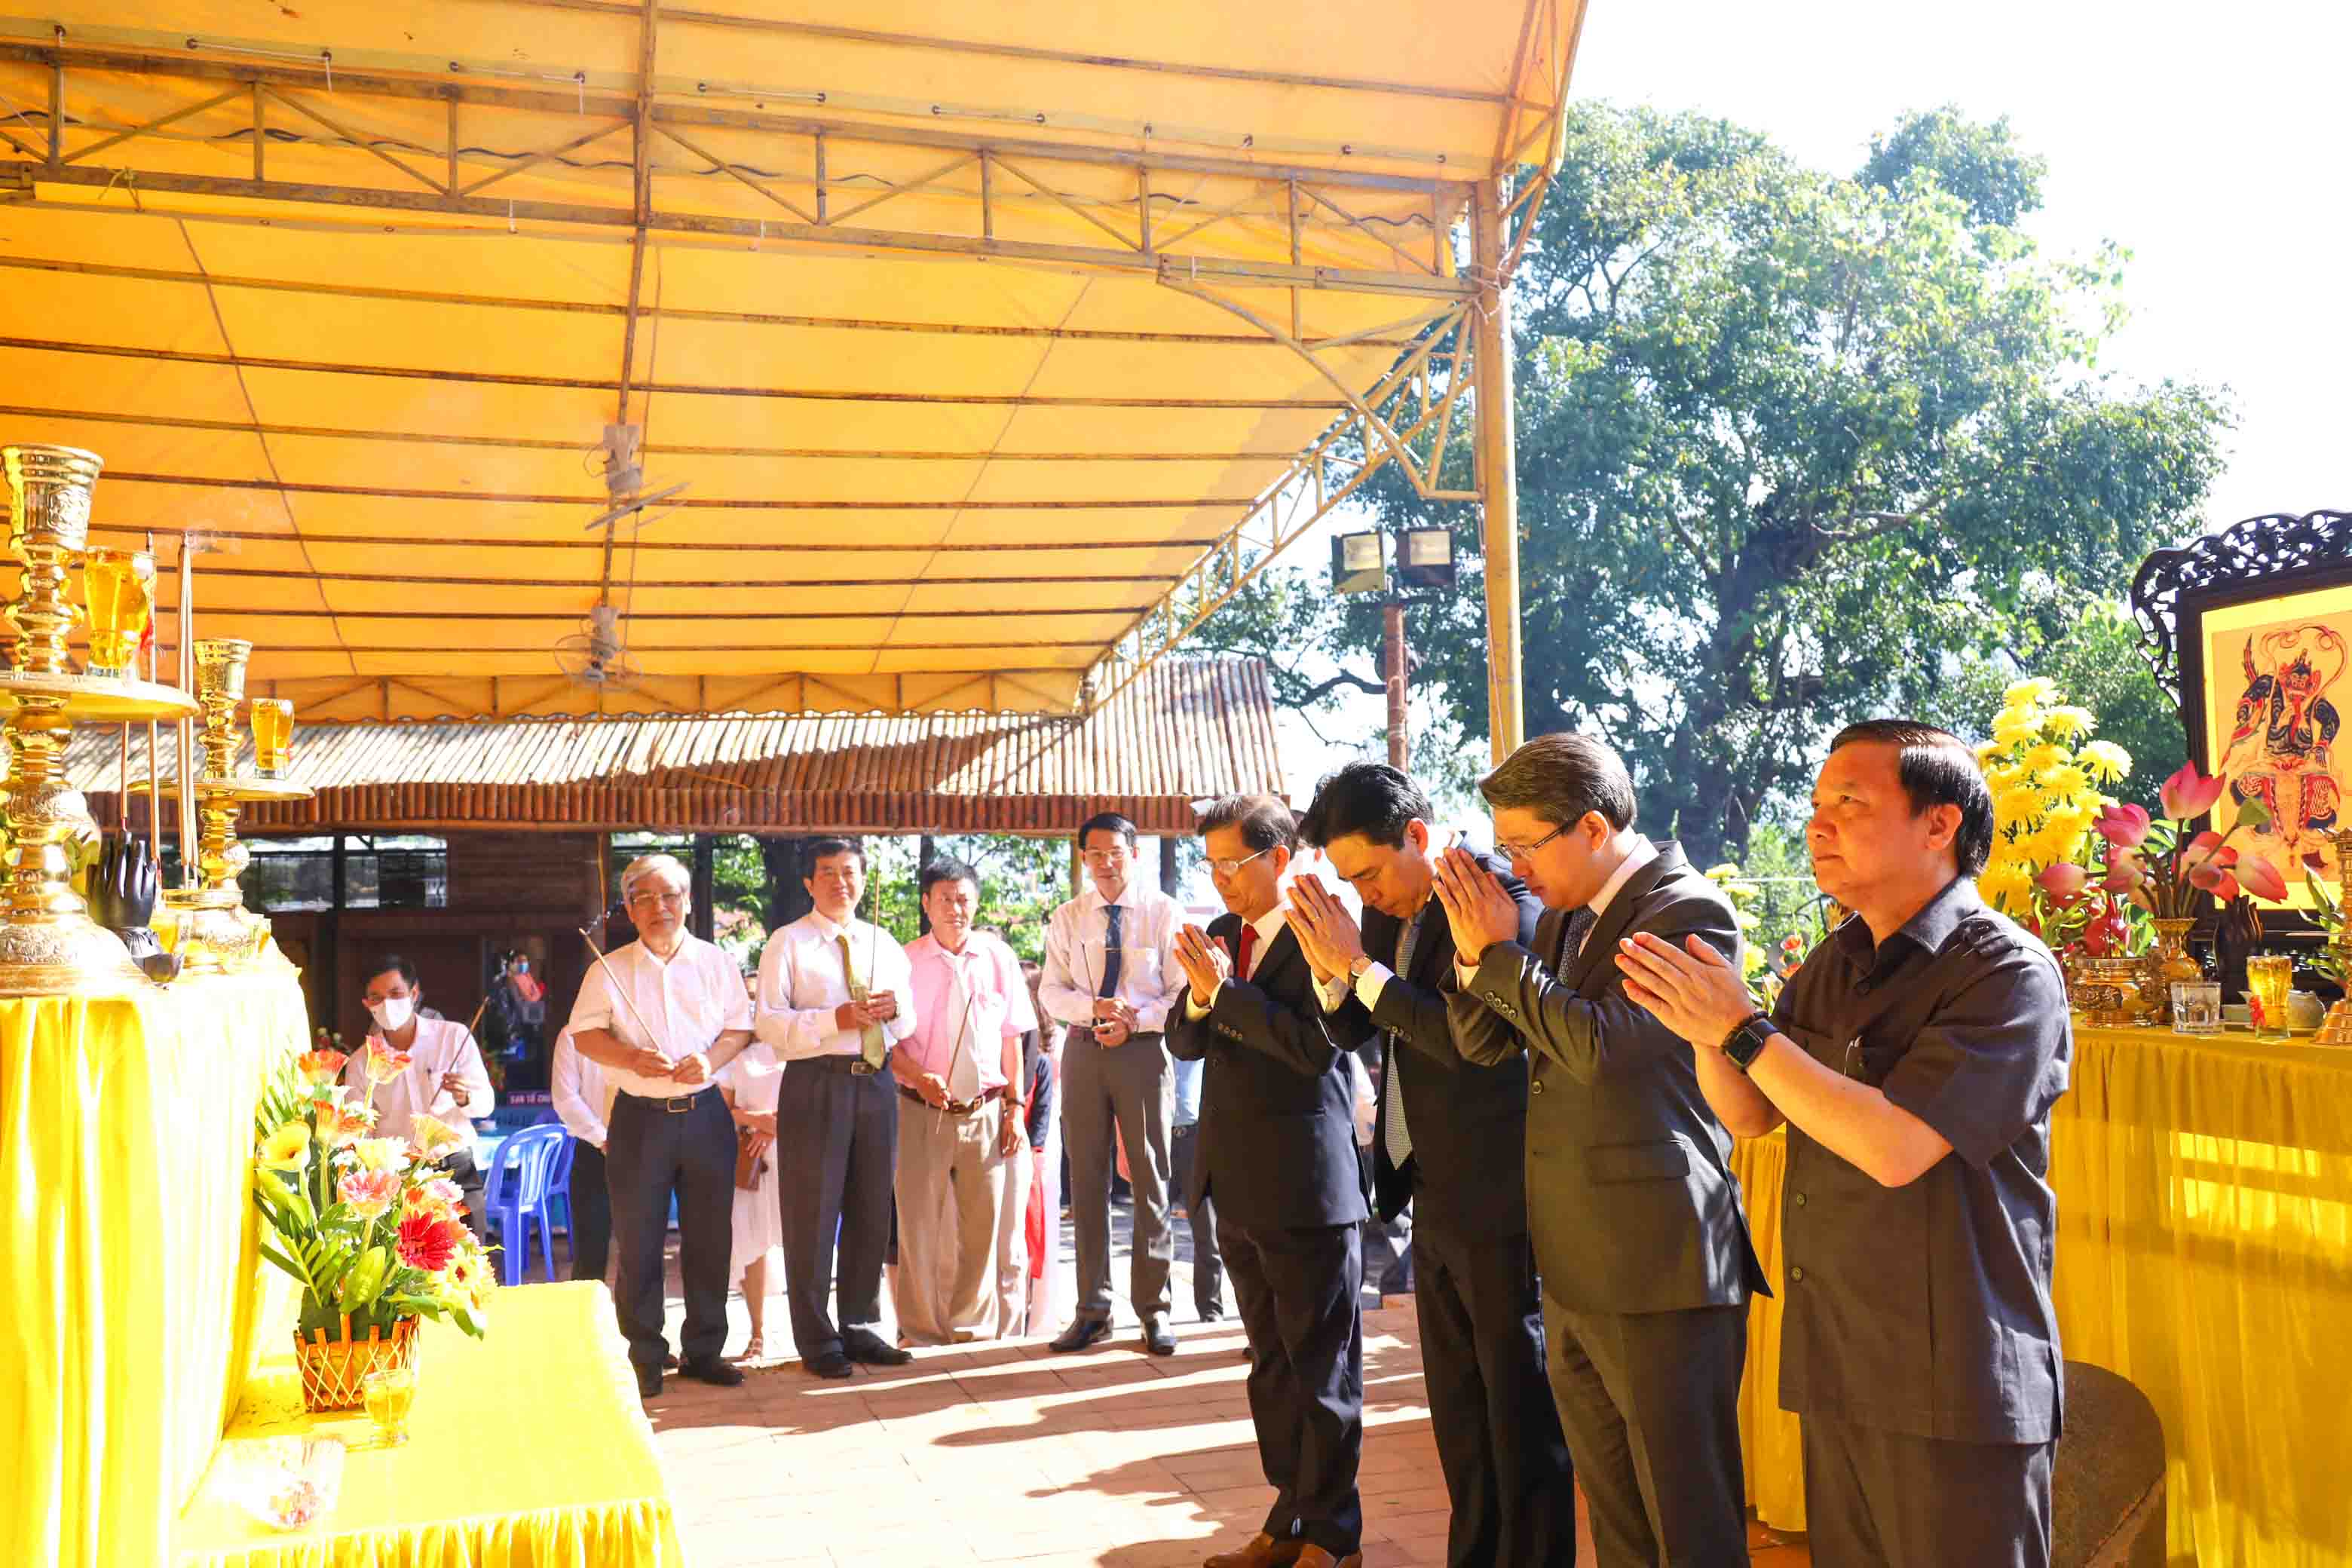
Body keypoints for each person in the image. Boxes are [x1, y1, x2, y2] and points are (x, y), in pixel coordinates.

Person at [1619, 718, 2070, 1568]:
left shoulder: (2005, 972)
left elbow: (1897, 1148)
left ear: (1939, 824)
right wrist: (1701, 1029)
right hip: (1841, 1358)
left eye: (1851, 803)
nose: (1818, 824)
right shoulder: (1835, 962)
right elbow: (1753, 1114)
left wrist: (1740, 1029)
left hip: (1954, 1380)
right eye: (1817, 804)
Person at [1425, 733, 1764, 1568]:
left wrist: (1502, 954)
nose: (1517, 866)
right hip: (1576, 1263)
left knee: (1688, 1522)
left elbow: (1604, 1048)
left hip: (1660, 1265)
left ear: (1590, 828)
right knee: (1617, 1523)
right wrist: (1476, 953)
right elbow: (1485, 1043)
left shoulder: (1685, 909)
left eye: (1524, 845)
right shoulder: (1570, 917)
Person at [1287, 762, 1579, 1568]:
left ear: (1417, 835)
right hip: (1432, 1189)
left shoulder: (1497, 900)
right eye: (1349, 880)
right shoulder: (1387, 915)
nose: (1365, 893)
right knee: (1459, 1412)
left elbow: (1463, 1041)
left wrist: (1359, 969)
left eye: (1371, 872)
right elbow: (1360, 1030)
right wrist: (1328, 965)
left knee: (1519, 1410)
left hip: (1503, 1186)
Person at [1169, 794, 1374, 1568]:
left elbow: (1311, 1046)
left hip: (1308, 1188)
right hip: (1237, 1182)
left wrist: (1226, 993)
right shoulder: (1225, 939)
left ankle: (1334, 1534)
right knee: (1272, 1369)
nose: (1220, 879)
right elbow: (1185, 1041)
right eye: (1212, 864)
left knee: (1324, 1368)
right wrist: (1201, 994)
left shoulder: (1319, 935)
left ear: (1280, 858)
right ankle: (1287, 1517)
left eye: (1234, 863)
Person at [564, 853, 757, 1398]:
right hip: (639, 1119)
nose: (659, 907)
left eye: (669, 895)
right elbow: (584, 1035)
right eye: (644, 897)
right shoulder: (608, 969)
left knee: (709, 1239)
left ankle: (705, 1350)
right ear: (628, 907)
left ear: (688, 902)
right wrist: (629, 1059)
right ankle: (644, 1355)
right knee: (639, 1239)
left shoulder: (716, 963)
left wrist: (711, 1061)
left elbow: (739, 1030)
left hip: (704, 1116)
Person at [755, 838, 919, 1379]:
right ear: (809, 883)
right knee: (812, 1213)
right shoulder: (788, 943)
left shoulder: (884, 942)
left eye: (849, 872)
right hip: (815, 1083)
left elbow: (908, 1023)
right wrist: (835, 1019)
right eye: (827, 873)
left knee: (871, 1209)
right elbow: (770, 1025)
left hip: (875, 1084)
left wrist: (892, 1013)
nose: (839, 882)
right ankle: (815, 1337)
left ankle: (858, 1325)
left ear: (864, 879)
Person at [1039, 811, 1188, 1356]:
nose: (1104, 863)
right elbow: (1051, 993)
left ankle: (1155, 1310)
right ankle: (1092, 1310)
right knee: (1086, 1181)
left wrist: (1135, 1021)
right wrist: (1093, 1008)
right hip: (1082, 1051)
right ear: (1083, 858)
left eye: (1114, 853)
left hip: (1144, 1053)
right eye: (1094, 854)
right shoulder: (1067, 916)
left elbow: (1179, 993)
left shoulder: (1163, 913)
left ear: (1135, 854)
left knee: (1150, 1178)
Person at [894, 856, 1037, 1345]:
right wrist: (917, 1076)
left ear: (975, 904)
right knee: (918, 1229)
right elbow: (886, 1042)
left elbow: (1012, 1036)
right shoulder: (904, 961)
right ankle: (919, 1330)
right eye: (945, 899)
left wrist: (1015, 1108)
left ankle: (972, 1329)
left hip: (985, 1112)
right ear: (926, 903)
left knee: (983, 1229)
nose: (955, 908)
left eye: (964, 899)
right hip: (919, 1110)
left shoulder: (998, 957)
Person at [343, 955, 495, 1244]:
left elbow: (486, 1104)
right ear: (367, 1005)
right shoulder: (361, 1063)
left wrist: (465, 1097)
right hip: (399, 1180)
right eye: (376, 997)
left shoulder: (452, 1037)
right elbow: (360, 1133)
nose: (386, 1004)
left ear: (414, 994)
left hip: (455, 1171)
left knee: (468, 1271)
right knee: (410, 1279)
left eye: (396, 994)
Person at [721, 1047, 784, 1361]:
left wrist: (776, 1129)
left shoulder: (798, 1045)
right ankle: (758, 1332)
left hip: (796, 1149)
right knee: (750, 1242)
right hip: (749, 1153)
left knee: (803, 1242)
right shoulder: (733, 1054)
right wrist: (758, 1121)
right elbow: (722, 1108)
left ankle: (813, 1331)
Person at [548, 1025, 615, 1288]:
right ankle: (585, 1325)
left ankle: (643, 1328)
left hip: (645, 1149)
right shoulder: (573, 1035)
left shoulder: (647, 1026)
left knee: (645, 1253)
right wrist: (604, 1139)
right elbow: (565, 1098)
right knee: (590, 1252)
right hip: (594, 1150)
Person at [1167, 1052, 1224, 1322]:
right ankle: (1157, 1310)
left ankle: (1211, 1310)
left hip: (1199, 1137)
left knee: (1207, 1230)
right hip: (1159, 1135)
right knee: (1154, 1232)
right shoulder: (1152, 1028)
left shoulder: (1204, 1033)